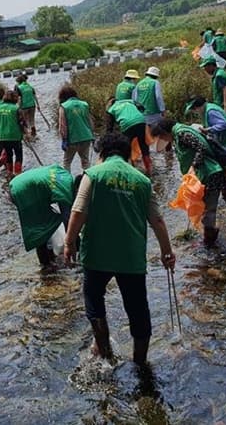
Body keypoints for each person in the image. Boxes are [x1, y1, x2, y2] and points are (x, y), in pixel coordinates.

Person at [63, 133, 175, 366]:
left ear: (102, 154)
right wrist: (167, 253)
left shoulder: (93, 174)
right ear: (128, 155)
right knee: (137, 309)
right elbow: (158, 221)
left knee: (94, 301)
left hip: (97, 255)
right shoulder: (142, 180)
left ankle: (105, 354)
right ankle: (140, 363)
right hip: (131, 258)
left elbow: (78, 210)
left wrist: (69, 242)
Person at [151, 118, 226, 247]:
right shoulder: (180, 131)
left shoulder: (181, 133)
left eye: (162, 136)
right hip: (206, 174)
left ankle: (209, 241)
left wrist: (193, 166)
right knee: (203, 206)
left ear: (165, 132)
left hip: (210, 173)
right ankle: (209, 236)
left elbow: (201, 148)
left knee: (208, 208)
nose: (164, 139)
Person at [9, 164, 75, 267]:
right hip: (23, 192)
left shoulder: (66, 177)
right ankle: (46, 266)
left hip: (22, 184)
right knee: (40, 228)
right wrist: (71, 244)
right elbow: (68, 221)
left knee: (49, 219)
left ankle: (50, 257)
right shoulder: (66, 191)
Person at [185, 96, 226, 199]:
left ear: (198, 107)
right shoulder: (208, 108)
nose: (195, 112)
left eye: (194, 109)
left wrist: (208, 130)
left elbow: (223, 124)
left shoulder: (210, 111)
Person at [106, 97, 151, 175]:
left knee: (126, 148)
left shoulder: (111, 109)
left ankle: (131, 170)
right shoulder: (129, 101)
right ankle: (149, 170)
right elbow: (142, 108)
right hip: (141, 121)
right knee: (144, 146)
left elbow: (109, 128)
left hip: (126, 124)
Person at [58, 85, 95, 173]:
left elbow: (62, 126)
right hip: (86, 137)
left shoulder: (64, 107)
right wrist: (92, 135)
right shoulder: (84, 104)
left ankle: (68, 183)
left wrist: (64, 139)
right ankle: (88, 182)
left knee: (67, 162)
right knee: (85, 162)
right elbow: (90, 121)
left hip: (72, 140)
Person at [200, 57, 226, 127]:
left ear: (211, 66)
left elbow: (225, 90)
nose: (204, 69)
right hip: (224, 104)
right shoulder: (220, 72)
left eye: (205, 67)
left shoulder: (219, 76)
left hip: (224, 105)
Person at [0, 90, 24, 176]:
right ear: (15, 98)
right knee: (18, 155)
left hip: (3, 136)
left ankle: (10, 174)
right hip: (15, 136)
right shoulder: (16, 108)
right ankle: (18, 174)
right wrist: (25, 133)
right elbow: (21, 122)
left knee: (9, 155)